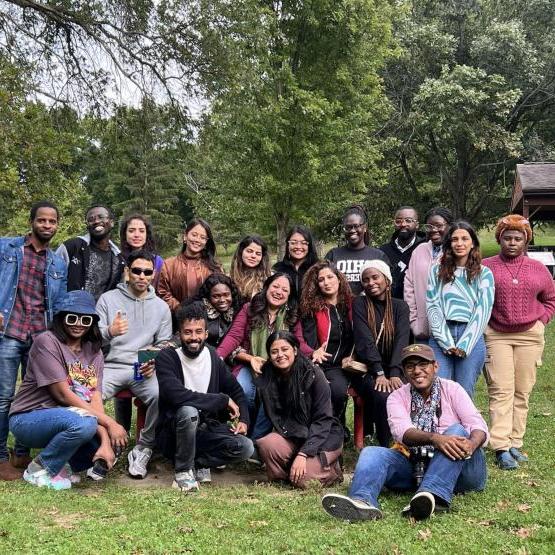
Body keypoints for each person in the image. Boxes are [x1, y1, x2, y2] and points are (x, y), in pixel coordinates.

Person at [322, 344, 488, 522]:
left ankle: (432, 495)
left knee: (456, 431)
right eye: (410, 366)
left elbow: (478, 425)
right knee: (371, 452)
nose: (417, 371)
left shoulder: (452, 389)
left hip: (463, 471)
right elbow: (403, 433)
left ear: (435, 366)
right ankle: (362, 502)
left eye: (423, 364)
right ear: (404, 371)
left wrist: (470, 444)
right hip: (417, 465)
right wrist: (435, 439)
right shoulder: (396, 397)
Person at [8, 291, 128, 490]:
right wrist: (110, 423)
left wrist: (106, 439)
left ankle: (63, 466)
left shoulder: (94, 351)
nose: (78, 323)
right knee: (85, 425)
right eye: (72, 317)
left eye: (85, 319)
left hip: (72, 416)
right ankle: (39, 469)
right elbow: (63, 395)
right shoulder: (47, 342)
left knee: (113, 441)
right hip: (29, 418)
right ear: (61, 318)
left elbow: (94, 397)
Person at [0, 201, 67, 481]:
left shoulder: (57, 263)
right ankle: (1, 455)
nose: (47, 226)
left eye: (52, 222)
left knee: (33, 396)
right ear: (32, 222)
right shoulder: (7, 249)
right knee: (4, 397)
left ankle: (22, 451)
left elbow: (60, 302)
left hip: (40, 337)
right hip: (9, 331)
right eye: (42, 220)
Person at [155, 301, 253, 492]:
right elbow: (177, 396)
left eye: (198, 332)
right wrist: (221, 400)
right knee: (189, 410)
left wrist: (244, 419)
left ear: (206, 334)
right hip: (174, 432)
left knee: (246, 447)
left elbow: (236, 390)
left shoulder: (213, 356)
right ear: (180, 334)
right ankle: (183, 471)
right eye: (188, 332)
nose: (194, 337)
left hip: (206, 430)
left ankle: (197, 463)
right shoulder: (167, 358)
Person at [482, 215, 555, 470]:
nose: (512, 243)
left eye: (518, 238)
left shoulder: (538, 269)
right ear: (499, 239)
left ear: (526, 240)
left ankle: (515, 441)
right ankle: (501, 446)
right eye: (507, 238)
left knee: (523, 391)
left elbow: (550, 298)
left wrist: (541, 321)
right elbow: (478, 299)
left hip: (529, 336)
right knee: (501, 389)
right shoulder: (486, 266)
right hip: (497, 334)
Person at [96, 250, 172, 478]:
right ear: (127, 272)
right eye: (136, 271)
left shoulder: (160, 306)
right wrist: (110, 331)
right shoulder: (108, 299)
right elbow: (89, 337)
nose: (141, 276)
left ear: (153, 274)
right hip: (110, 365)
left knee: (162, 394)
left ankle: (143, 447)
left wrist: (153, 361)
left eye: (147, 272)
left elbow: (164, 343)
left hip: (141, 368)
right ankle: (102, 443)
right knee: (87, 396)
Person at [216, 273, 313, 435]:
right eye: (275, 286)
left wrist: (313, 353)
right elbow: (234, 336)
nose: (278, 292)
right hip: (248, 363)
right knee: (243, 389)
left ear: (289, 296)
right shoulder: (250, 308)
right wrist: (218, 356)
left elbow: (299, 342)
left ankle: (257, 440)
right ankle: (244, 425)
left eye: (284, 290)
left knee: (272, 395)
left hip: (277, 367)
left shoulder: (291, 315)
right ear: (266, 288)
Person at [255, 331, 343, 488]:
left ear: (295, 350)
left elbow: (323, 419)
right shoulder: (267, 377)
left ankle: (332, 471)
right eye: (274, 352)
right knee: (267, 443)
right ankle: (285, 477)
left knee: (304, 480)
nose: (280, 355)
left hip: (323, 435)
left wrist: (303, 453)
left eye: (285, 349)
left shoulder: (313, 374)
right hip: (294, 435)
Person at [427, 221, 494, 398]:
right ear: (448, 243)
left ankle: (464, 427)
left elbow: (483, 309)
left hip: (471, 335)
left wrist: (465, 344)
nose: (460, 243)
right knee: (439, 391)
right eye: (455, 239)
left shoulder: (484, 273)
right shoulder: (436, 271)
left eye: (465, 238)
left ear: (473, 242)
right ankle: (442, 427)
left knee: (464, 393)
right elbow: (433, 305)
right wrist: (446, 342)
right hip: (441, 335)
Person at [350, 261, 410, 446]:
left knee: (407, 391)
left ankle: (408, 438)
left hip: (395, 367)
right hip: (368, 369)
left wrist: (393, 372)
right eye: (365, 280)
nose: (370, 282)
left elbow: (402, 340)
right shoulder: (360, 304)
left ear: (387, 280)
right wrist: (379, 372)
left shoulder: (400, 307)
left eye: (375, 277)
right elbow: (364, 340)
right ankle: (387, 443)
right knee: (384, 396)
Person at [300, 261, 353, 420]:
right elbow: (307, 341)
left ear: (339, 278)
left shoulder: (352, 304)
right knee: (324, 389)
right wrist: (314, 351)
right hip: (321, 363)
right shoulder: (312, 308)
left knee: (337, 391)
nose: (326, 282)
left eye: (330, 277)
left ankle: (337, 427)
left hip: (346, 364)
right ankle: (323, 427)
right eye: (321, 280)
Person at [57, 204, 126, 301]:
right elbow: (53, 281)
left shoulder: (119, 259)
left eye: (101, 217)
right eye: (91, 219)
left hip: (101, 314)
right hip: (70, 313)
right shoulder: (72, 247)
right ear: (87, 225)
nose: (96, 221)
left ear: (111, 222)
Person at [404, 207, 454, 340]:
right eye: (429, 226)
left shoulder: (457, 250)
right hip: (423, 329)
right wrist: (414, 322)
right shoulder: (419, 250)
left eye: (439, 226)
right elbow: (409, 286)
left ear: (449, 226)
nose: (434, 230)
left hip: (452, 328)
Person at [157, 218, 221, 315]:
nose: (197, 240)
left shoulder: (214, 267)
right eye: (194, 235)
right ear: (185, 236)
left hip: (207, 319)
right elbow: (162, 292)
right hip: (175, 319)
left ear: (206, 243)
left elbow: (219, 292)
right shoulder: (168, 264)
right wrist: (180, 309)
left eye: (203, 237)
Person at [325, 205, 389, 296]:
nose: (352, 230)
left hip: (369, 308)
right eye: (348, 227)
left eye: (356, 226)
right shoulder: (333, 254)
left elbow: (388, 285)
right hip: (340, 308)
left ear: (365, 227)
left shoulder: (378, 256)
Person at [379, 206, 425, 299]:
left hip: (419, 306)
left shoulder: (424, 249)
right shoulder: (382, 252)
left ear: (417, 225)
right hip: (390, 307)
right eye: (398, 221)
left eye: (408, 220)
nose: (403, 224)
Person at [195, 273, 244, 348]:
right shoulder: (198, 310)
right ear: (208, 297)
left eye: (226, 295)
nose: (222, 300)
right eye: (216, 296)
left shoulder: (237, 309)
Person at [272, 225, 319, 299]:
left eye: (303, 243)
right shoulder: (278, 268)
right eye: (293, 242)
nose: (298, 247)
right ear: (288, 245)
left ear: (309, 246)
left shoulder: (318, 268)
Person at [119, 213, 164, 287]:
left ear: (147, 234)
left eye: (141, 231)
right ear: (125, 234)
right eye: (131, 231)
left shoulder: (157, 261)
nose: (136, 235)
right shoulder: (117, 260)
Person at [230, 235, 271, 301]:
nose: (253, 256)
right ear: (241, 252)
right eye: (249, 251)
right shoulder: (229, 278)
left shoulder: (268, 279)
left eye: (258, 253)